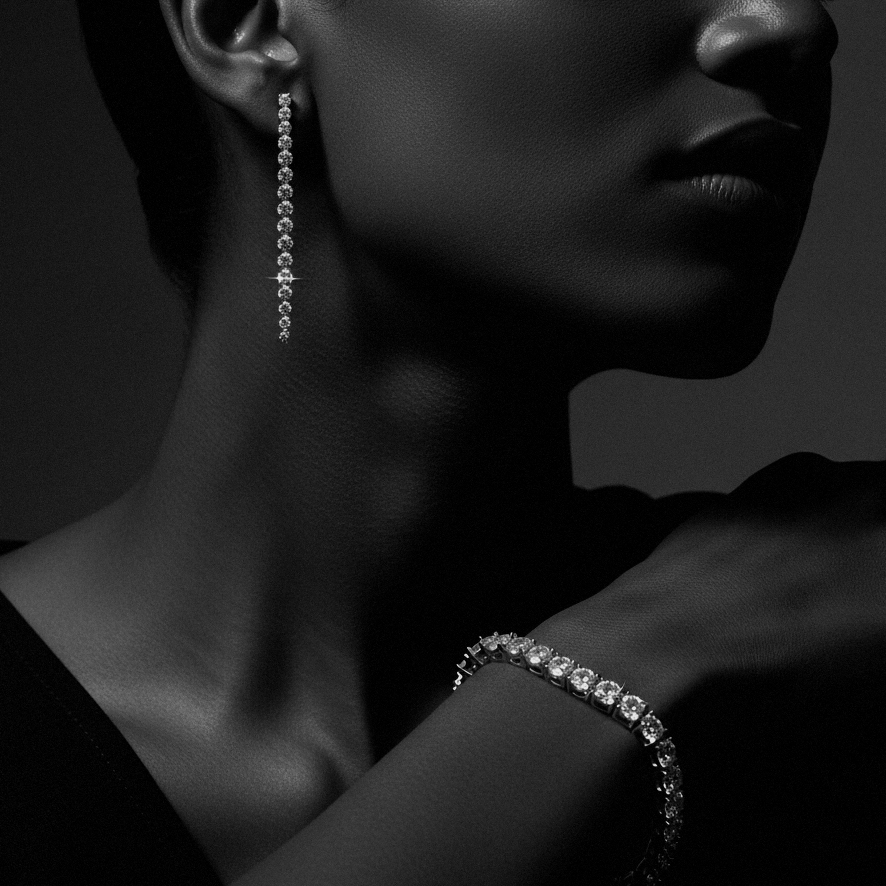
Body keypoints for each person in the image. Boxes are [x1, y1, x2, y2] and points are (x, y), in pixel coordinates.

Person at [0, 0, 883, 884]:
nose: (789, 22)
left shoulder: (840, 662)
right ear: (247, 26)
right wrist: (626, 664)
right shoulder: (727, 637)